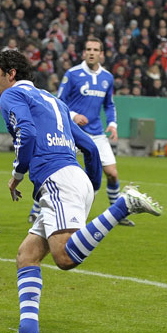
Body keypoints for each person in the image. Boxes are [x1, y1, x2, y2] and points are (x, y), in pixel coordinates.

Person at [0, 49, 163, 333]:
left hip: (56, 179)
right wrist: (89, 187)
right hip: (74, 178)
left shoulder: (11, 97)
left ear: (10, 74)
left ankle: (124, 205)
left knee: (64, 257)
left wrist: (17, 176)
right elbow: (90, 148)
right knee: (27, 256)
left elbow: (26, 134)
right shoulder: (53, 100)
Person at [52, 36, 134, 226]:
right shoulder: (72, 74)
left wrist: (113, 124)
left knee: (112, 173)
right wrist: (73, 116)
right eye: (88, 49)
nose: (91, 53)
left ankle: (117, 214)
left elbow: (109, 105)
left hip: (97, 133)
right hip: (72, 132)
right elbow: (58, 101)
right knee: (58, 171)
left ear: (102, 54)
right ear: (83, 53)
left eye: (96, 50)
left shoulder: (107, 77)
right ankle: (37, 209)